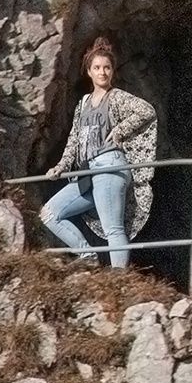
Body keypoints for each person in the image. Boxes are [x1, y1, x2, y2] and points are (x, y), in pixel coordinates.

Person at [42, 37, 158, 265]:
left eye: (107, 67)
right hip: (88, 172)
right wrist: (61, 166)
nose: (102, 72)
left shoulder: (116, 97)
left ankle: (119, 281)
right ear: (89, 71)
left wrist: (120, 131)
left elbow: (146, 110)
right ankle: (86, 255)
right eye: (97, 68)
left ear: (113, 71)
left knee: (113, 227)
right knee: (50, 213)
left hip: (111, 166)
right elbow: (74, 139)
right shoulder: (83, 103)